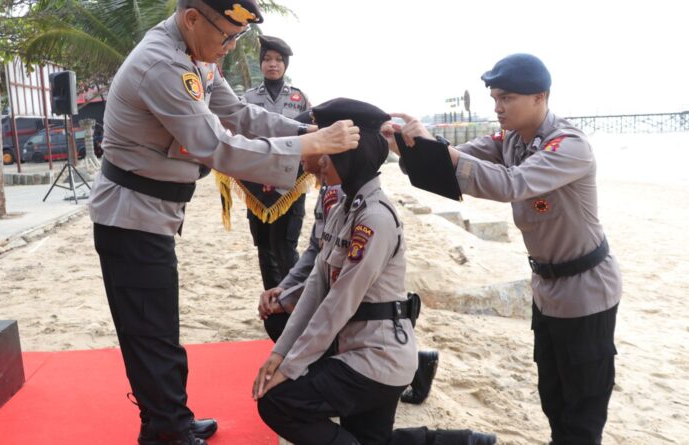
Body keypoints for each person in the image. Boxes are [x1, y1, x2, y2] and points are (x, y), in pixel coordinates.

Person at [88, 1, 360, 443]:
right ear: (193, 18)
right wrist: (308, 147)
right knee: (150, 332)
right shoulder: (163, 65)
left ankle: (168, 419)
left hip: (153, 212)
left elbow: (238, 114)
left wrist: (302, 131)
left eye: (239, 37)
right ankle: (167, 431)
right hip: (130, 215)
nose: (231, 47)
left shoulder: (196, 53)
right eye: (227, 36)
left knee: (159, 327)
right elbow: (217, 145)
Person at [391, 53, 622, 445]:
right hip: (546, 289)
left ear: (540, 97)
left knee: (583, 408)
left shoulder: (569, 146)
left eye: (507, 98)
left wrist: (440, 151)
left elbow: (510, 184)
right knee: (553, 396)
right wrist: (410, 146)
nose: (497, 107)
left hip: (586, 291)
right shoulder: (512, 138)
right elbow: (461, 160)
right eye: (495, 98)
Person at [253, 98, 496, 445]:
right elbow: (316, 290)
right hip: (358, 349)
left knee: (278, 402)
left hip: (376, 358)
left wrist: (291, 367)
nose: (318, 160)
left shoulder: (375, 217)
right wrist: (280, 355)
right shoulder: (344, 209)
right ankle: (466, 442)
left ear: (349, 155)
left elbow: (339, 302)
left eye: (327, 151)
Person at [257, 115, 440, 406]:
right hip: (344, 296)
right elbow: (317, 250)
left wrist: (288, 303)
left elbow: (341, 287)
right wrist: (286, 288)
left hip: (364, 315)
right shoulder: (332, 190)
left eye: (304, 145)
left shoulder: (346, 191)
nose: (297, 154)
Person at [218, 35, 312, 291]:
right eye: (267, 59)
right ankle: (272, 300)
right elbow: (237, 134)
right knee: (264, 246)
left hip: (290, 184)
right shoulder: (247, 99)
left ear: (285, 65)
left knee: (285, 245)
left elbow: (310, 139)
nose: (273, 64)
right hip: (258, 183)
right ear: (260, 64)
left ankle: (293, 299)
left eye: (279, 60)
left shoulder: (299, 98)